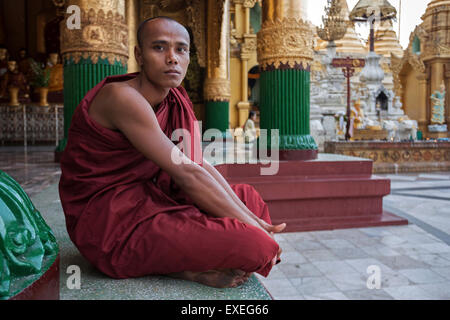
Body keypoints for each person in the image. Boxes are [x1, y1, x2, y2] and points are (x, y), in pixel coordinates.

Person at [59, 17, 285, 289]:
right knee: (255, 245)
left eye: (181, 49)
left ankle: (193, 259)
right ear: (139, 56)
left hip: (151, 198)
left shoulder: (175, 98)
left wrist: (254, 219)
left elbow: (196, 164)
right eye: (159, 48)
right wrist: (257, 230)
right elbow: (187, 173)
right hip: (111, 220)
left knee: (249, 199)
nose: (172, 58)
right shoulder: (121, 97)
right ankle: (187, 268)